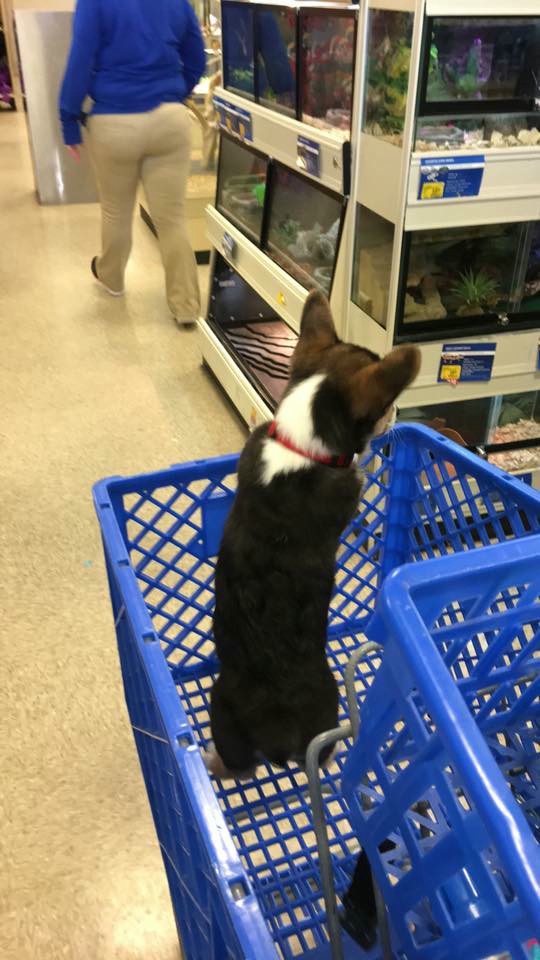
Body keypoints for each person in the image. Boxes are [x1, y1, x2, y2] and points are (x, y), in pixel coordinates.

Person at [59, 0, 206, 326]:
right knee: (173, 219)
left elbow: (80, 59)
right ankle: (186, 306)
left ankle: (111, 279)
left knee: (115, 210)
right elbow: (197, 55)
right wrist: (178, 90)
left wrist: (69, 119)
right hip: (169, 120)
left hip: (114, 122)